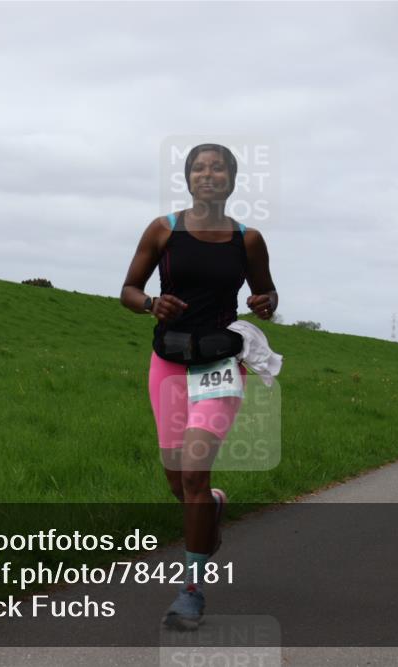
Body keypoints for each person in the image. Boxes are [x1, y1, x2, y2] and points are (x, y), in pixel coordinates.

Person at [120, 144, 278, 630]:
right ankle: (211, 510)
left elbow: (267, 293)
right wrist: (151, 305)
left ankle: (190, 590)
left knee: (193, 473)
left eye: (218, 168)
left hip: (220, 362)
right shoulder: (163, 229)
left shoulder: (247, 239)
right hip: (168, 361)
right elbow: (128, 290)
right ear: (188, 178)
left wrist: (265, 301)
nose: (208, 174)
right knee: (177, 480)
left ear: (232, 179)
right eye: (198, 167)